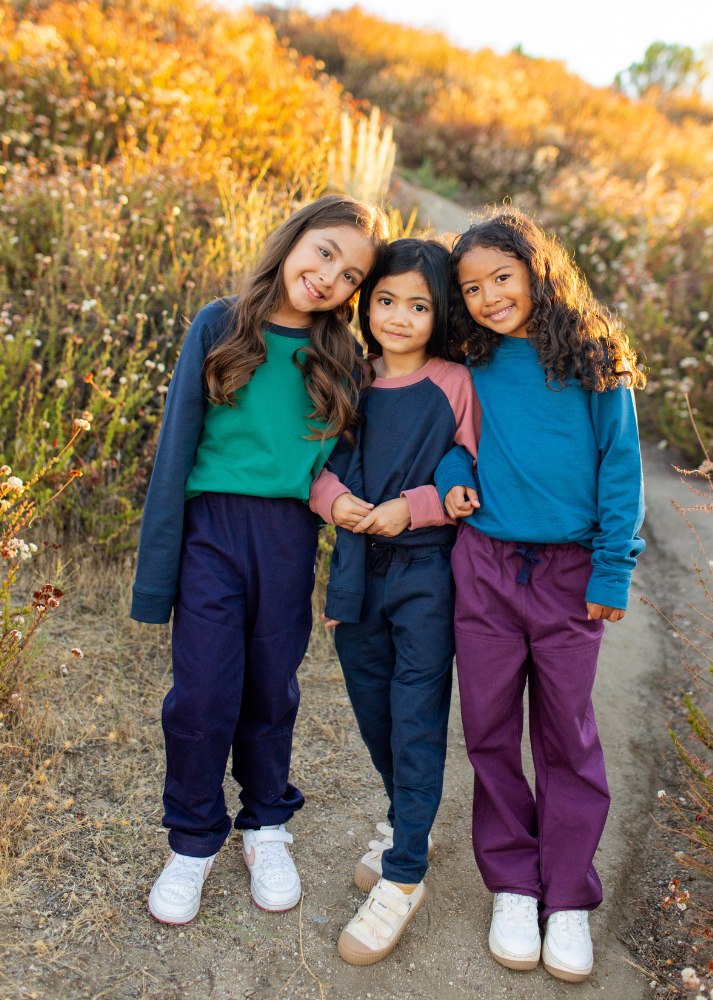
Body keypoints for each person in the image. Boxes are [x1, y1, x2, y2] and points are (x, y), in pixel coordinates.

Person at [130, 194, 387, 924]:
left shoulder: (343, 359)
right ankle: (191, 841)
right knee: (204, 692)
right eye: (326, 251)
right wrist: (158, 581)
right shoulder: (220, 324)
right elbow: (176, 450)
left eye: (351, 275)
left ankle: (266, 825)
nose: (331, 276)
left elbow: (341, 469)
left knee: (272, 689)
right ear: (296, 240)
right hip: (211, 530)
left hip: (287, 536)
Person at [434, 211, 646, 982]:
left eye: (503, 277)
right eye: (473, 287)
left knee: (567, 734)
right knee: (489, 726)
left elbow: (621, 469)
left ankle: (566, 897)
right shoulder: (469, 358)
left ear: (537, 269)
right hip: (484, 563)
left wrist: (613, 568)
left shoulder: (594, 357)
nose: (490, 296)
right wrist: (454, 480)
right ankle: (513, 887)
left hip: (568, 572)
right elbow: (451, 441)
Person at [308, 238, 479, 966]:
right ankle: (407, 816)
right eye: (386, 301)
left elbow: (465, 463)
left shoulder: (453, 382)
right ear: (366, 303)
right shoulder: (353, 377)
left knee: (415, 717)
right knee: (373, 710)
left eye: (418, 305)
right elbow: (320, 466)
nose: (400, 316)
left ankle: (405, 870)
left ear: (438, 313)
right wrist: (338, 503)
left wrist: (417, 506)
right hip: (355, 571)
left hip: (424, 576)